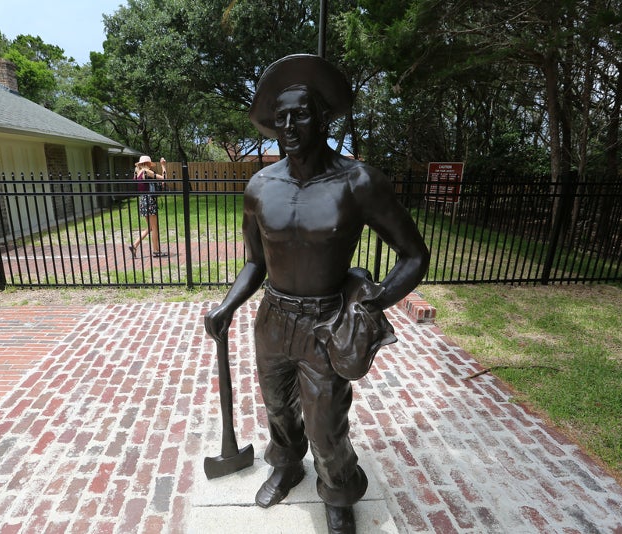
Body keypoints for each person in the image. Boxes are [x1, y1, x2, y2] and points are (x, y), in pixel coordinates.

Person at [204, 54, 430, 534]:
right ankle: (287, 465)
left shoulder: (358, 181)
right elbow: (254, 262)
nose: (288, 125)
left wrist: (371, 303)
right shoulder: (260, 187)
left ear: (323, 116)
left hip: (326, 322)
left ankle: (338, 491)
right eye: (280, 116)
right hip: (273, 318)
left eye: (300, 113)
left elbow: (414, 255)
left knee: (326, 427)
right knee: (278, 409)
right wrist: (228, 305)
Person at [129, 155, 168, 258]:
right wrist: (163, 166)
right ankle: (156, 251)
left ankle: (134, 245)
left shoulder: (138, 173)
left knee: (150, 227)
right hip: (150, 200)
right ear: (148, 164)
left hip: (142, 200)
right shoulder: (146, 172)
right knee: (154, 227)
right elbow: (164, 179)